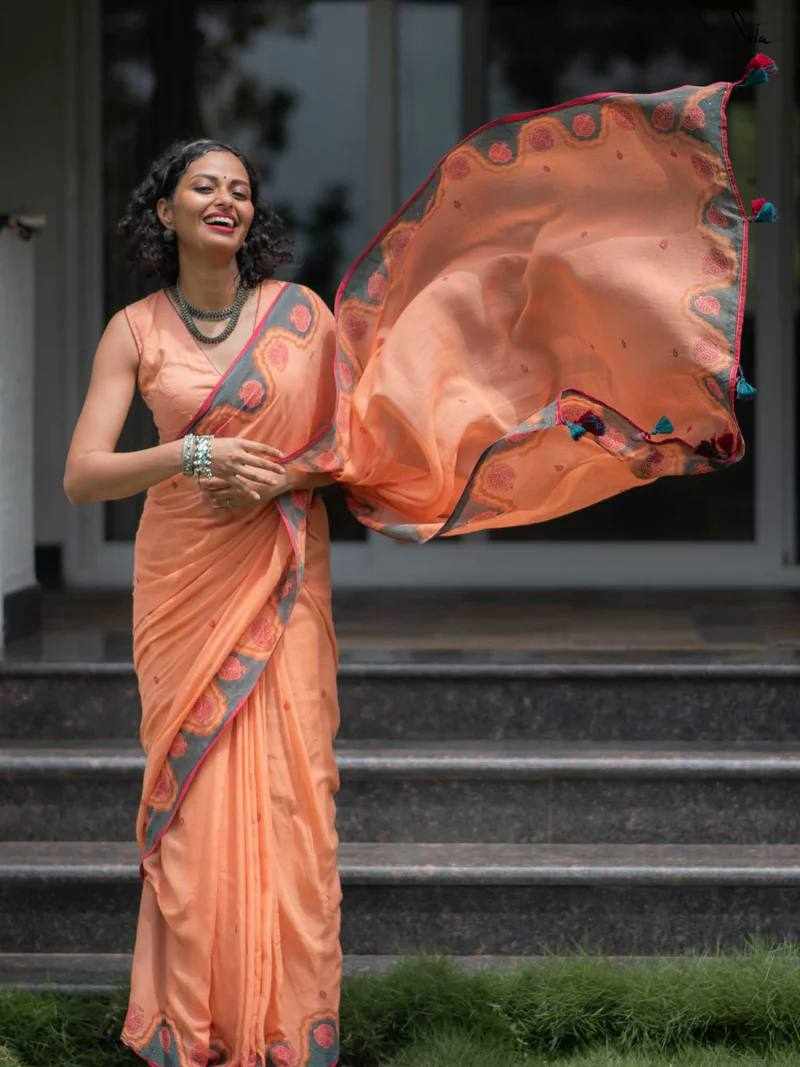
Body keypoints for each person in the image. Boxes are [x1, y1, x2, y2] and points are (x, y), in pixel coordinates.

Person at [63, 51, 775, 1067]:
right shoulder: (133, 331)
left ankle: (285, 1029)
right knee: (191, 806)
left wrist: (279, 476)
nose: (225, 200)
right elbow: (83, 476)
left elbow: (349, 443)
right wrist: (191, 453)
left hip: (279, 573)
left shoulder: (300, 318)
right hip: (182, 579)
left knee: (291, 794)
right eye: (204, 186)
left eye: (240, 189)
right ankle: (191, 1024)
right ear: (165, 210)